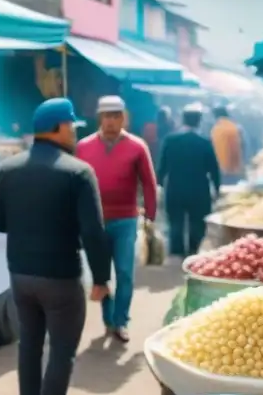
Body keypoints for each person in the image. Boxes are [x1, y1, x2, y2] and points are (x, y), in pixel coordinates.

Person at [0, 98, 110, 395]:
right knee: (62, 350)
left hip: (21, 275)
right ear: (59, 128)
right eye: (72, 126)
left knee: (29, 343)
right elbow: (94, 233)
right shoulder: (78, 172)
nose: (75, 133)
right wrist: (101, 278)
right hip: (61, 277)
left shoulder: (8, 169)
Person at [76, 95, 157, 343]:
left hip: (126, 219)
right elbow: (75, 183)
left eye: (115, 116)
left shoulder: (137, 147)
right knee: (101, 274)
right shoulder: (83, 147)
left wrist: (150, 215)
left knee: (124, 271)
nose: (110, 121)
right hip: (94, 222)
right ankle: (108, 319)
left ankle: (121, 321)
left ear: (123, 118)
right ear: (99, 118)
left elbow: (149, 183)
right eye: (106, 116)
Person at [158, 103, 220, 258]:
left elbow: (162, 167)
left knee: (175, 223)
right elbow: (214, 169)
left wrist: (157, 186)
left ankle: (177, 252)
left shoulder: (170, 140)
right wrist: (217, 189)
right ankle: (193, 251)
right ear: (199, 121)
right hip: (199, 190)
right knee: (197, 223)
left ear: (182, 119)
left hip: (174, 188)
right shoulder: (205, 142)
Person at [209, 105, 244, 185]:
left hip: (221, 168)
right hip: (235, 167)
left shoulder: (216, 129)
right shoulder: (236, 127)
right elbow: (243, 146)